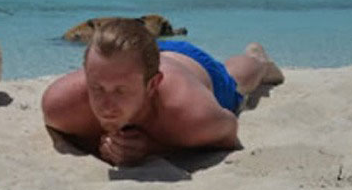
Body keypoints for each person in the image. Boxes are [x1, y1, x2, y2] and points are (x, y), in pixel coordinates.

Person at [41, 18, 284, 166]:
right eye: (97, 88)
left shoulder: (191, 112)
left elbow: (229, 131)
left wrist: (153, 148)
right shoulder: (60, 104)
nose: (105, 104)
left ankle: (259, 59)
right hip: (133, 57)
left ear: (153, 85)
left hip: (193, 68)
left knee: (238, 80)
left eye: (120, 91)